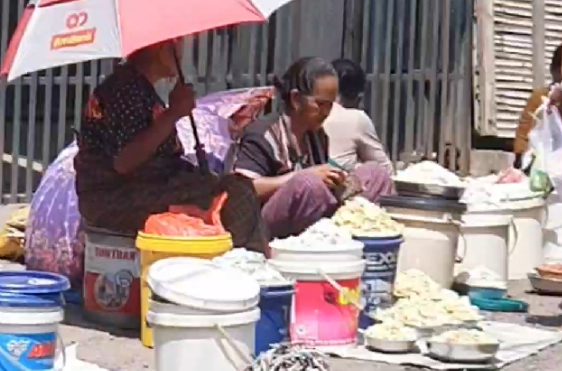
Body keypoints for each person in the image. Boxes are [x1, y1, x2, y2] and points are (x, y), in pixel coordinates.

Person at [74, 42, 266, 250]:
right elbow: (124, 160)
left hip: (144, 187)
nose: (183, 54)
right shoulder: (125, 90)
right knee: (236, 195)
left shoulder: (137, 88)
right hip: (119, 198)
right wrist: (173, 113)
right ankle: (237, 261)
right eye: (178, 46)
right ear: (161, 49)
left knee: (234, 186)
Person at [231, 58, 392, 240]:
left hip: (314, 213)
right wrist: (299, 177)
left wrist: (341, 180)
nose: (326, 112)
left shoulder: (317, 135)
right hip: (263, 227)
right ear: (296, 99)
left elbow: (323, 180)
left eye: (330, 105)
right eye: (320, 104)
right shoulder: (262, 134)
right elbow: (244, 188)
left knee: (375, 174)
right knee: (308, 184)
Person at [325, 58, 393, 177]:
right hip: (334, 187)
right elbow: (385, 170)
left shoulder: (308, 113)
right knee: (374, 172)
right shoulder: (355, 118)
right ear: (359, 96)